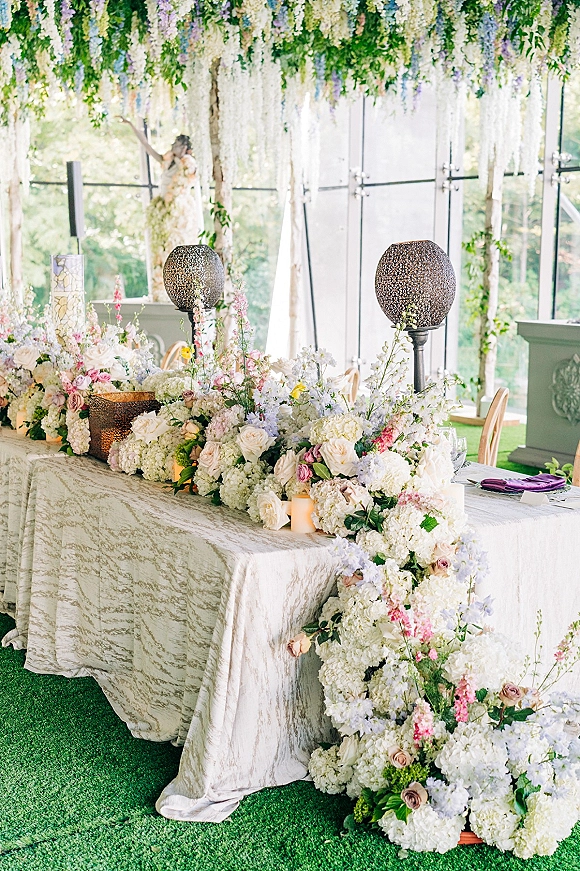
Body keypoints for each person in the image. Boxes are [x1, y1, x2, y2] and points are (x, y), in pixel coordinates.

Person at [120, 118, 204, 302]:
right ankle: (163, 289)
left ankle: (183, 289)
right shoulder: (168, 161)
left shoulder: (187, 162)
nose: (173, 146)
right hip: (164, 208)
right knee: (161, 248)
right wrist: (132, 126)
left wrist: (185, 157)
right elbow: (146, 146)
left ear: (184, 147)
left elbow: (194, 175)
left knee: (178, 245)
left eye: (177, 144)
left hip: (178, 209)